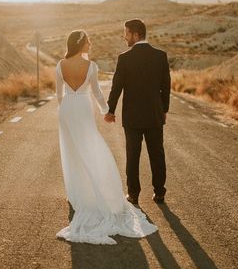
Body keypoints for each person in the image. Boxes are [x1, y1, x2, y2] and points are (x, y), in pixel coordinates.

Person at [55, 29, 157, 245]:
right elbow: (97, 93)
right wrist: (106, 112)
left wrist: (64, 110)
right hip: (83, 107)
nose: (90, 43)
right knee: (90, 147)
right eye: (88, 41)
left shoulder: (60, 65)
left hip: (66, 109)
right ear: (81, 43)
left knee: (71, 151)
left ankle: (76, 194)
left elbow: (58, 94)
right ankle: (92, 192)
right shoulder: (91, 66)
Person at [105, 19, 170, 205]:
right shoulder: (160, 56)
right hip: (154, 114)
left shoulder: (124, 58)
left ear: (135, 34)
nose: (124, 37)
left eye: (126, 33)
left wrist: (110, 110)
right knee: (157, 154)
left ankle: (133, 194)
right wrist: (164, 109)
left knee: (133, 155)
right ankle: (159, 193)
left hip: (132, 117)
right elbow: (166, 87)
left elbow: (116, 87)